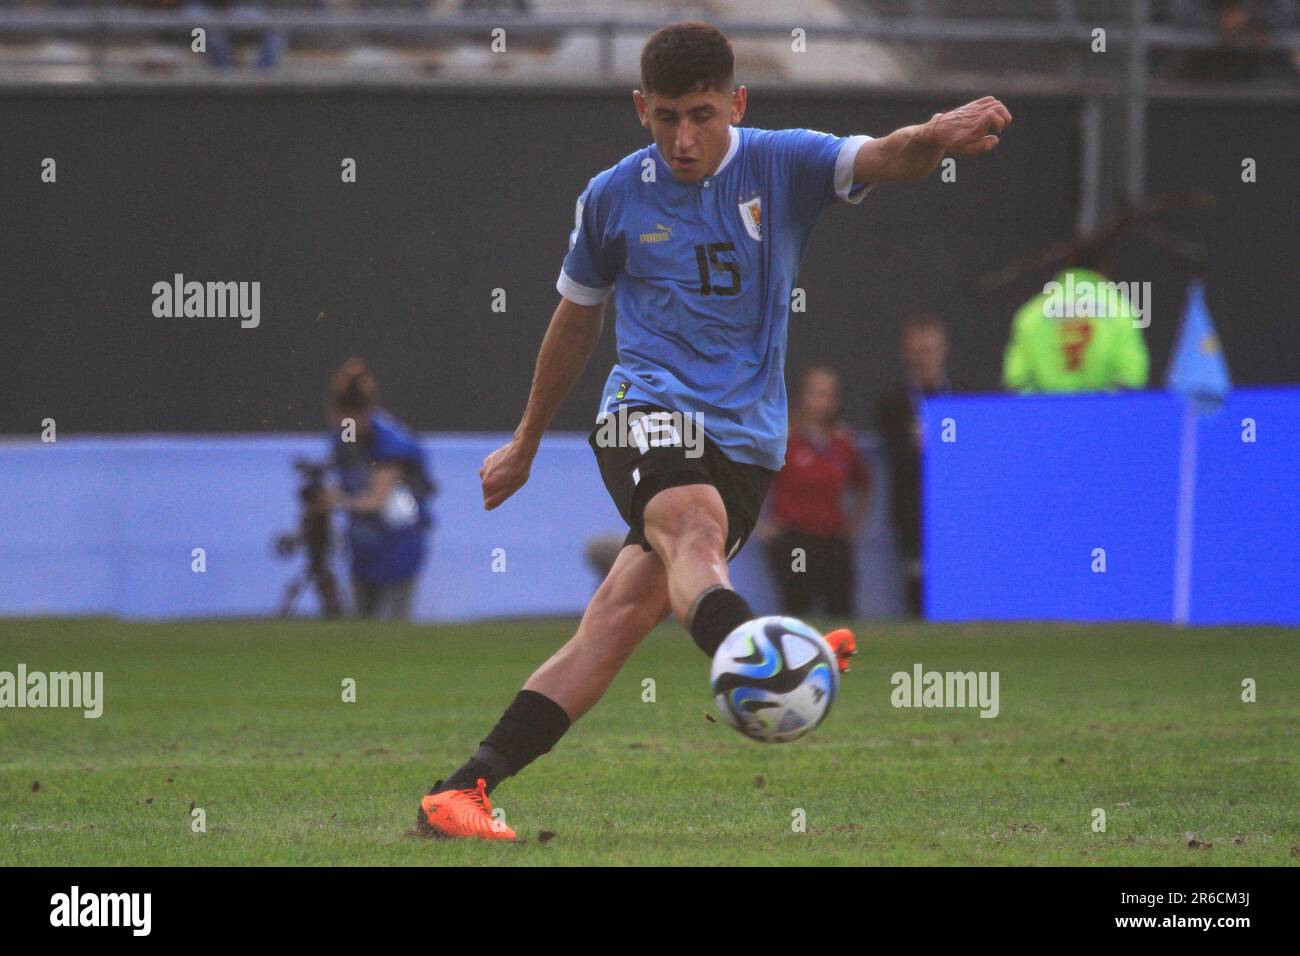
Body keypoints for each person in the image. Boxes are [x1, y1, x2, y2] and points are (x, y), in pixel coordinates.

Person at [417, 21, 1011, 840]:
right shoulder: (613, 197)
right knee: (693, 530)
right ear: (640, 108)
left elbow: (883, 156)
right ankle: (772, 657)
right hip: (645, 410)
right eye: (665, 117)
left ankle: (462, 791)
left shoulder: (784, 163)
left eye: (701, 114)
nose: (683, 137)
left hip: (745, 444)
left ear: (737, 101)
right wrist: (525, 441)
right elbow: (577, 323)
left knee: (619, 620)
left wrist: (932, 136)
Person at [323, 358, 434, 621]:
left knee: (393, 623)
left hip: (398, 542)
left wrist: (335, 501)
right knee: (361, 621)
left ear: (365, 412)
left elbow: (377, 500)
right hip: (362, 543)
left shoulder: (390, 442)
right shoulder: (342, 439)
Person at [763, 366, 870, 617]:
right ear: (802, 396)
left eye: (829, 395)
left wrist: (854, 525)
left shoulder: (842, 441)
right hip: (795, 541)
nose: (824, 402)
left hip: (833, 538)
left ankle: (840, 656)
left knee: (841, 607)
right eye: (817, 394)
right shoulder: (784, 439)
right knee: (798, 606)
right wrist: (762, 526)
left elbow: (863, 484)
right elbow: (752, 480)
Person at [876, 316, 954, 618]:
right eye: (917, 350)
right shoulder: (891, 403)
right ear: (907, 354)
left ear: (943, 350)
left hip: (956, 507)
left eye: (930, 349)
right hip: (913, 506)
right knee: (916, 576)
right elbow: (895, 455)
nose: (925, 358)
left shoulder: (963, 396)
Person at [1002, 258, 1149, 394]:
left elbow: (1017, 380)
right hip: (1104, 417)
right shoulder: (1120, 308)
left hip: (1045, 417)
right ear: (1102, 270)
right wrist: (1100, 410)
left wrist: (1045, 411)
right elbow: (1131, 376)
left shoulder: (1031, 313)